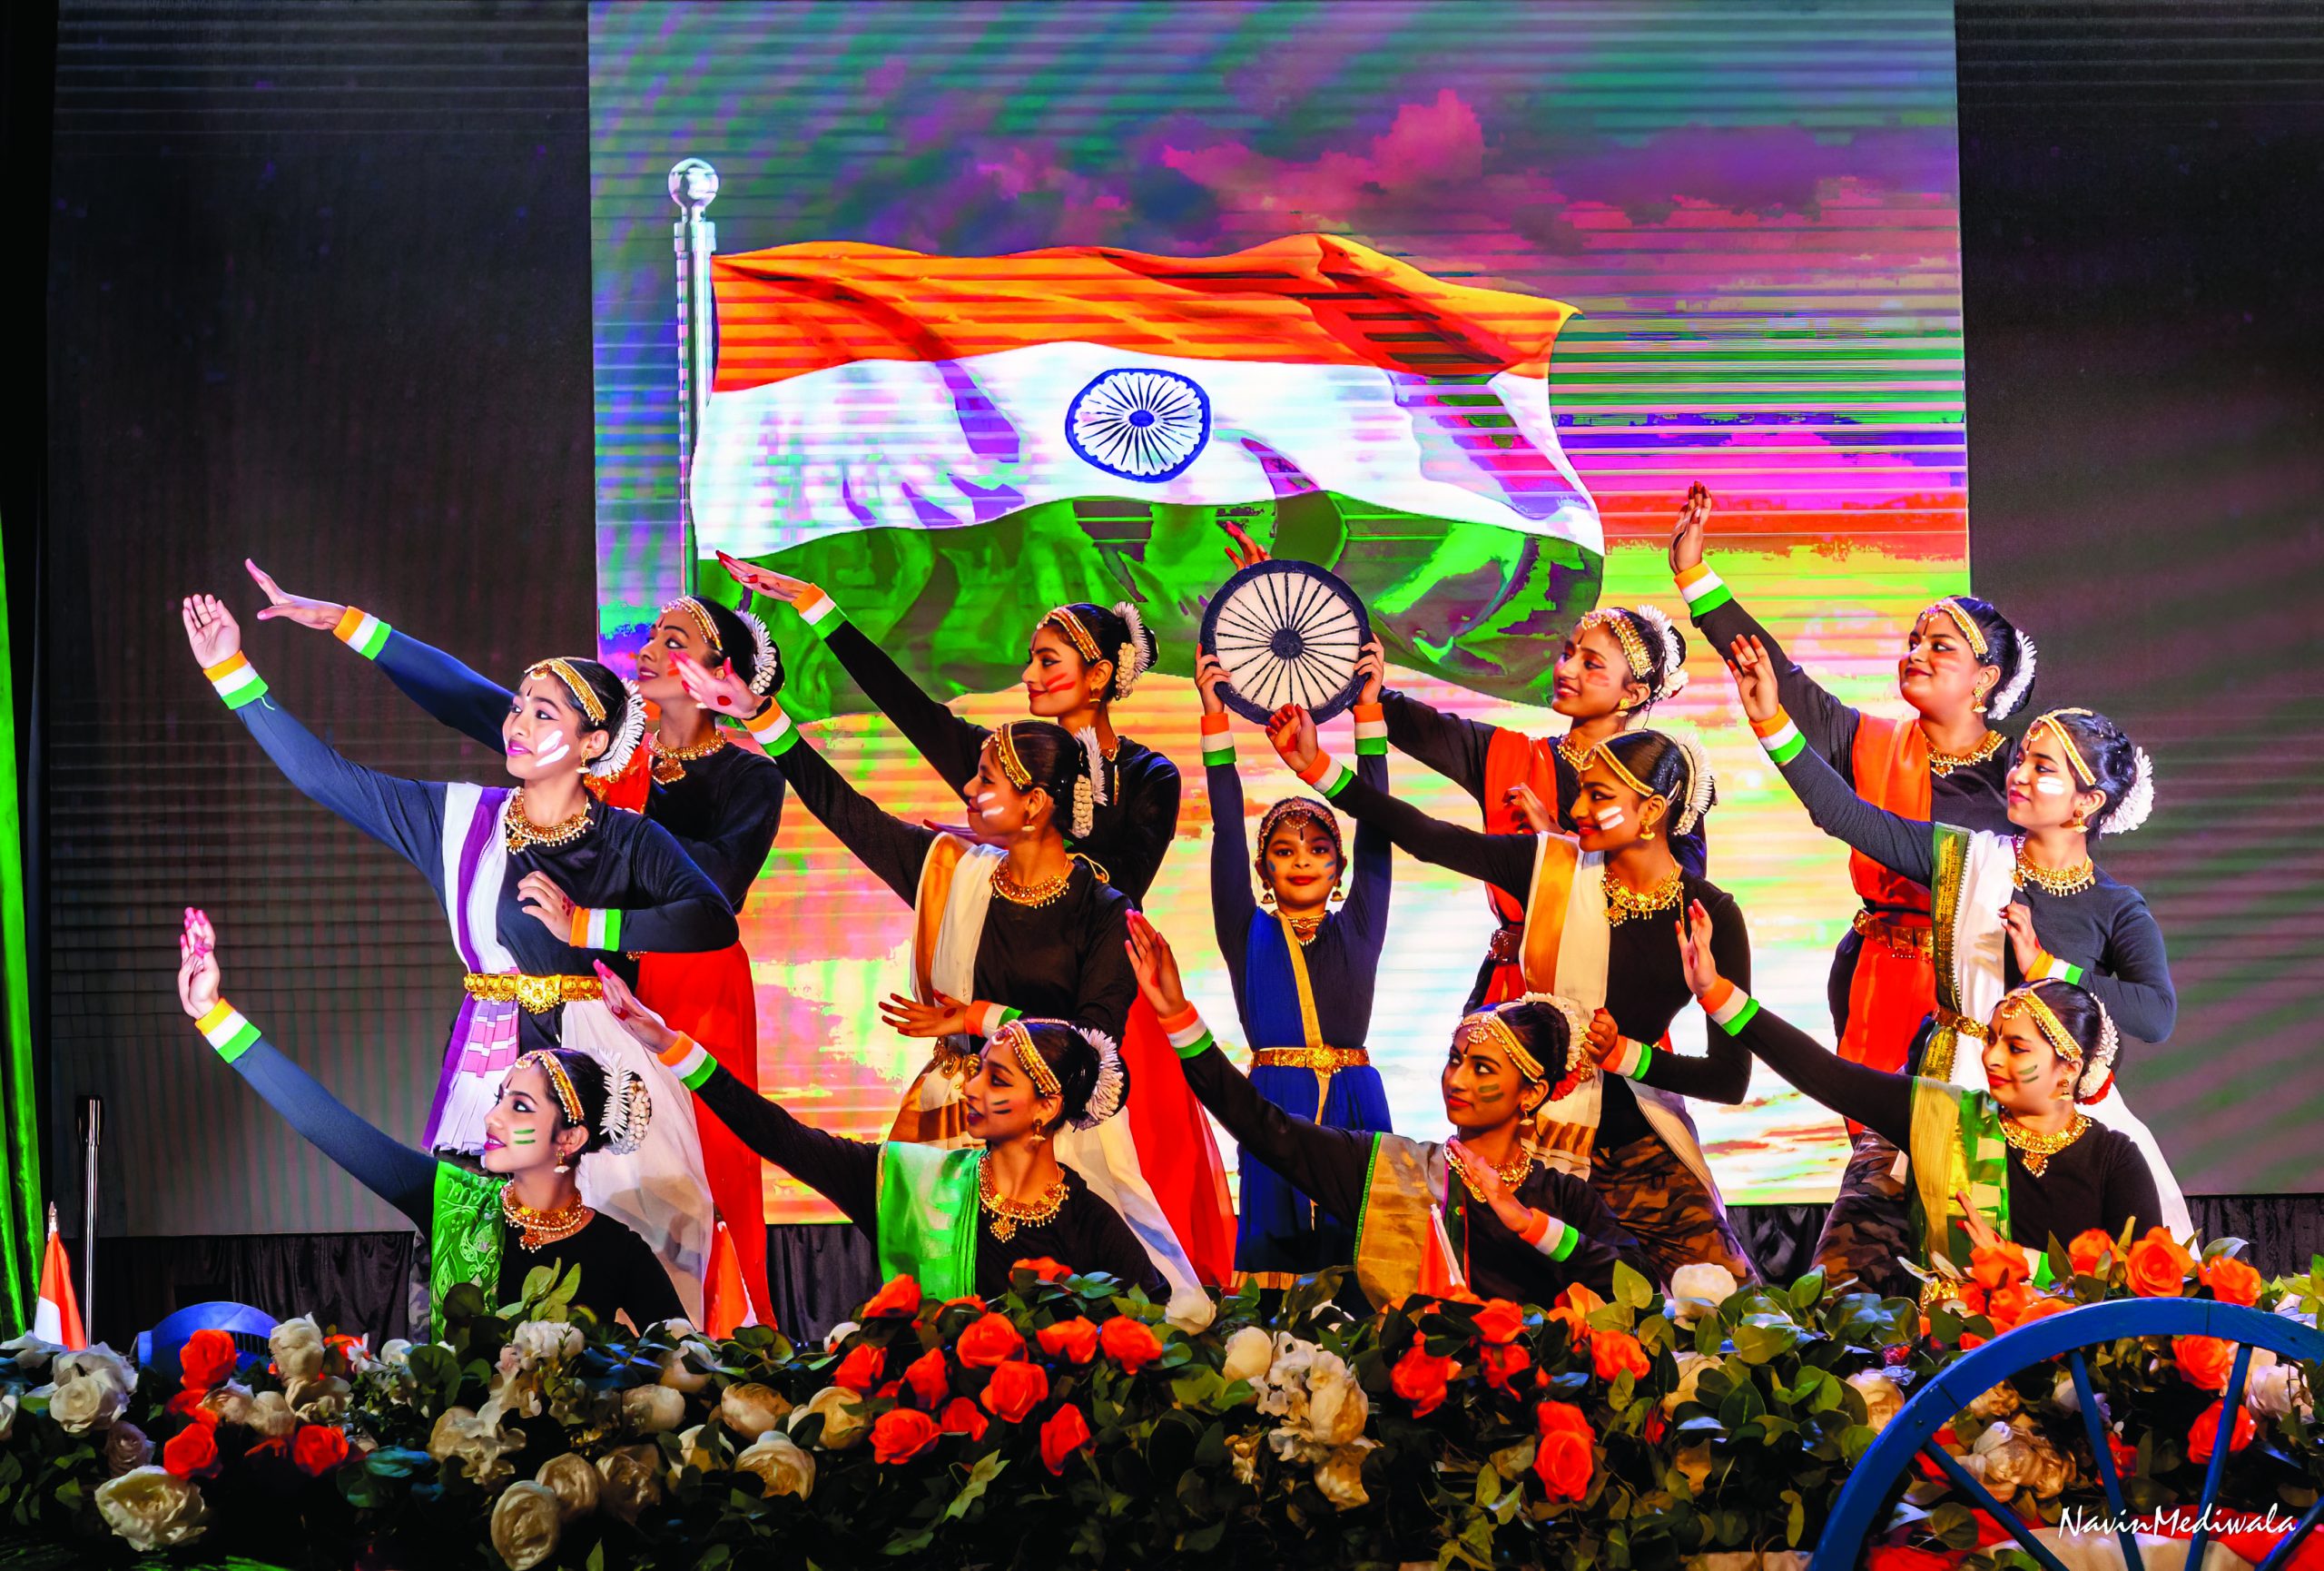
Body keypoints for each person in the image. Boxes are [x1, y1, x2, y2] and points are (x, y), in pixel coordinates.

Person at [241, 564, 786, 1323]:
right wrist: (345, 624)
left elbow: (711, 901)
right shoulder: (548, 780)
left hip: (658, 1000)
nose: (650, 649)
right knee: (473, 1221)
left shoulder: (686, 798)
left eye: (676, 640)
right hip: (515, 1017)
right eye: (653, 635)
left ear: (722, 672)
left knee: (658, 1208)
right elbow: (465, 697)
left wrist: (591, 916)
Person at [701, 560, 1238, 1288]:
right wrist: (770, 699)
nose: (966, 786)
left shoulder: (1108, 871)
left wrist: (977, 1011)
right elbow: (854, 801)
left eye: (985, 781)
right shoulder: (960, 867)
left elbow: (1096, 1029)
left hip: (1071, 1100)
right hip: (963, 1101)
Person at [1728, 632, 2186, 1285]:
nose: (2018, 775)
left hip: (2048, 1112)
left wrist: (2050, 970)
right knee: (1854, 1279)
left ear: (2087, 804)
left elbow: (2156, 1014)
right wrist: (1771, 721)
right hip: (1941, 1093)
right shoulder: (1968, 858)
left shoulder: (2113, 906)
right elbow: (1845, 815)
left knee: (2042, 1285)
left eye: (2044, 768)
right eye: (2022, 759)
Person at [1265, 708, 1756, 1285]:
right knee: (1530, 1315)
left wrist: (1628, 1055)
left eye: (1597, 796)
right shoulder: (1550, 867)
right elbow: (1428, 838)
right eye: (1580, 793)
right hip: (1534, 1151)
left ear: (1651, 811)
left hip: (1644, 1154)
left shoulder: (1707, 915)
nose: (1576, 810)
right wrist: (1318, 768)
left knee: (1723, 1306)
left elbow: (1730, 1079)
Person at [1219, 521, 1697, 1006]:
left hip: (1612, 1008)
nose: (1566, 669)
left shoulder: (1667, 783)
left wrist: (1561, 845)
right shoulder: (1511, 757)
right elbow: (1404, 729)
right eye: (1568, 653)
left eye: (1591, 664)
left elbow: (1673, 906)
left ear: (1633, 693)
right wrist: (1282, 611)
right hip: (1509, 1001)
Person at [175, 908, 684, 1336]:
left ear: (569, 1138)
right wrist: (213, 1015)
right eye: (500, 1099)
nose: (492, 1117)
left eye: (520, 1107)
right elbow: (324, 1122)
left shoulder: (619, 1251)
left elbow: (687, 1366)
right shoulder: (453, 1203)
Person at [1126, 915, 1647, 1309]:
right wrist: (1178, 1018)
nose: (1457, 1080)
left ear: (1530, 1095)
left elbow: (1638, 1287)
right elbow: (1265, 1127)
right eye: (1455, 1060)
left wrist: (1529, 1224)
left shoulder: (1562, 1198)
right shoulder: (1386, 1166)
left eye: (1483, 1069)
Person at [596, 965, 1162, 1305]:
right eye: (978, 1071)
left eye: (997, 1080)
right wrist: (671, 1045)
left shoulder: (1088, 1223)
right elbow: (780, 1137)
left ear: (1047, 1107)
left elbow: (1150, 1326)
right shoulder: (909, 1183)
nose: (968, 1089)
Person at [1672, 897, 2158, 1289]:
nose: (1991, 1058)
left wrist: (2027, 1264)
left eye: (2016, 1048)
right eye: (1991, 1039)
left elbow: (2140, 1286)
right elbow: (1827, 1074)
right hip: (1957, 1359)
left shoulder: (2114, 1160)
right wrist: (1716, 994)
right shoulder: (1943, 1117)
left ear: (2067, 1070)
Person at [1196, 640, 1394, 1288]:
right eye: (1283, 851)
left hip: (1356, 1103)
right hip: (1274, 1103)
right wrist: (1215, 719)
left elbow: (1379, 833)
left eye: (1318, 849)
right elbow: (1227, 828)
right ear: (1263, 870)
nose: (1302, 859)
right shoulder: (1245, 931)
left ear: (1339, 869)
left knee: (1361, 1263)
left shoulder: (1359, 926)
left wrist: (1368, 716)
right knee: (1276, 1275)